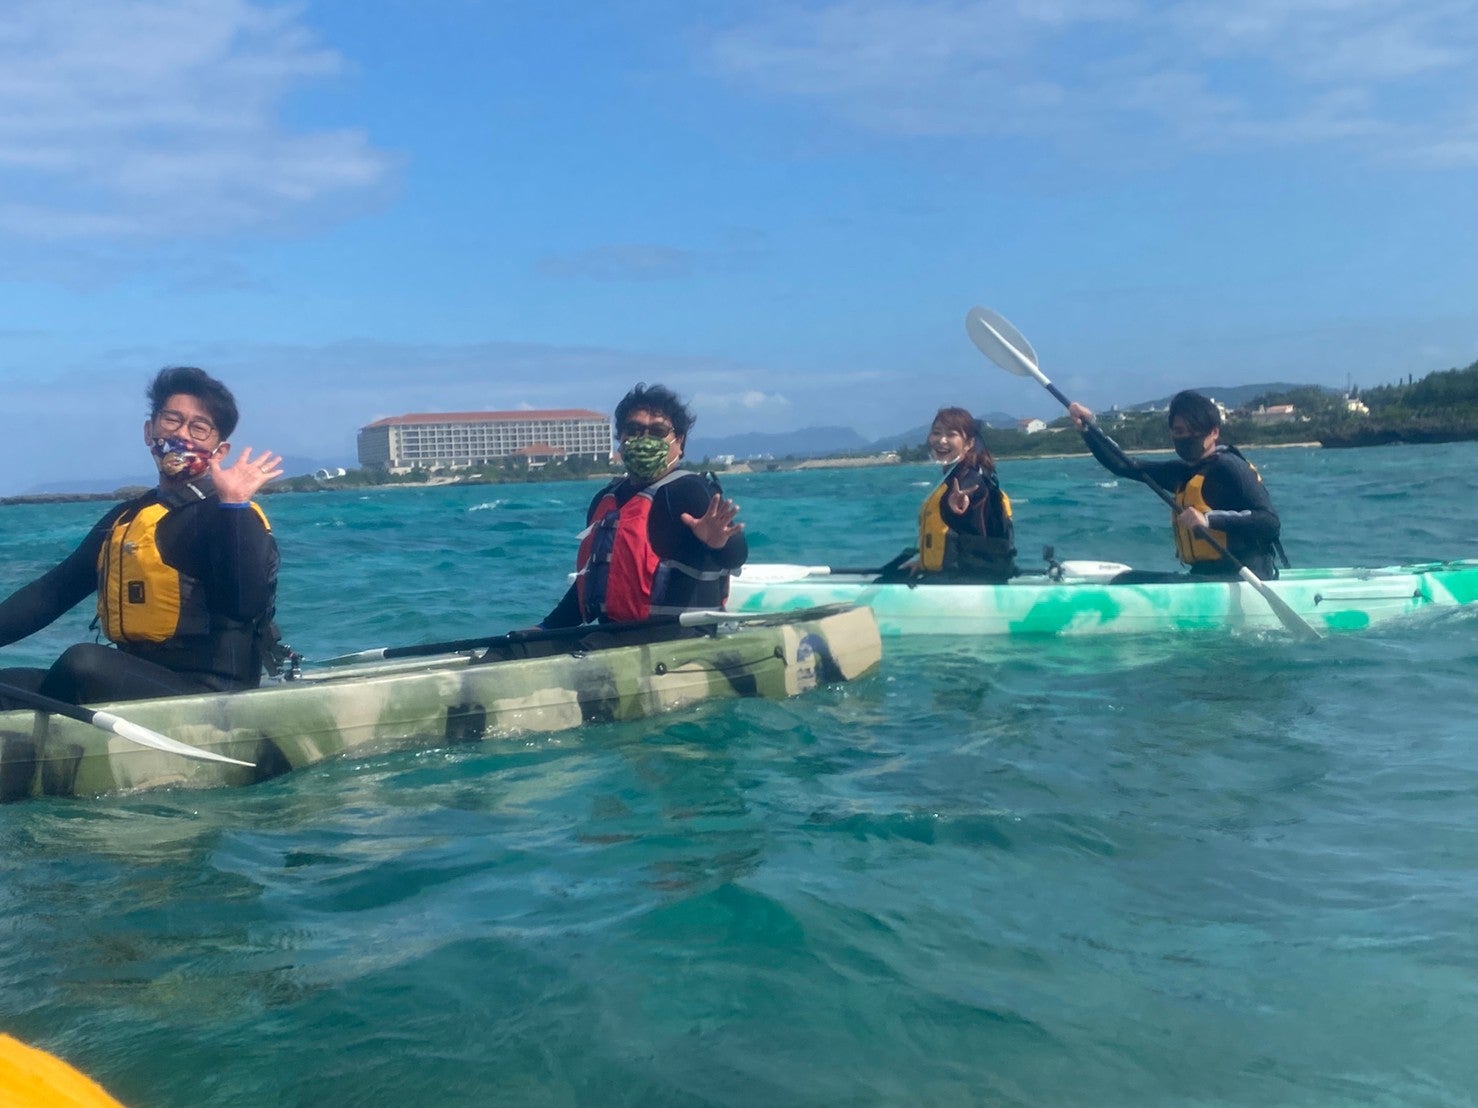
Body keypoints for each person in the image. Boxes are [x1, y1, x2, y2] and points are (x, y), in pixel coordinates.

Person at [0, 366, 286, 707]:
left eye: (199, 428)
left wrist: (234, 506)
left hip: (212, 693)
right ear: (149, 431)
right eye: (172, 420)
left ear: (219, 451)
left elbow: (245, 604)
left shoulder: (228, 515)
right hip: (133, 679)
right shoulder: (127, 518)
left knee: (83, 663)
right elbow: (53, 592)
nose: (182, 435)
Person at [540, 383, 747, 629]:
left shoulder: (690, 492)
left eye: (657, 431)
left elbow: (736, 556)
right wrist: (544, 629)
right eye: (634, 429)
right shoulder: (606, 499)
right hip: (614, 637)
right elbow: (592, 582)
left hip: (679, 640)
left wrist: (718, 542)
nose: (644, 439)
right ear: (621, 438)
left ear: (679, 442)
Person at [1067, 390, 1283, 578]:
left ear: (1214, 432)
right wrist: (1089, 428)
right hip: (1205, 575)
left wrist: (1209, 520)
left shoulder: (1230, 468)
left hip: (1247, 577)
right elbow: (1124, 465)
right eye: (1179, 431)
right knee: (1128, 578)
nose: (1186, 437)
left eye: (1194, 430)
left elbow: (1270, 523)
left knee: (1130, 581)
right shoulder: (1182, 472)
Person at [909, 406, 1017, 581]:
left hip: (972, 581)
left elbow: (964, 500)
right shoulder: (953, 474)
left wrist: (954, 506)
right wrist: (922, 560)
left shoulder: (972, 480)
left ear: (968, 444)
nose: (942, 440)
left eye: (951, 435)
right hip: (954, 575)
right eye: (936, 433)